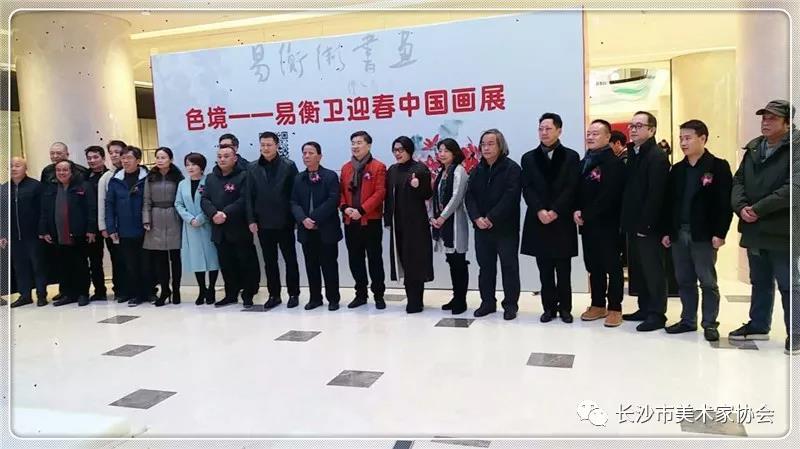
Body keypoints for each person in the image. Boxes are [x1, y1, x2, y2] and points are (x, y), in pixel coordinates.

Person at [729, 100, 798, 355]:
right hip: (754, 228)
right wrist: (741, 208)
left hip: (783, 229)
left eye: (772, 118)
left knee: (789, 284)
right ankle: (758, 324)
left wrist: (757, 209)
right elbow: (738, 181)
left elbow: (794, 188)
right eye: (764, 117)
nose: (765, 122)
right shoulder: (754, 147)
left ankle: (797, 332)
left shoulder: (796, 147)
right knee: (759, 280)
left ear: (787, 123)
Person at [660, 120, 733, 342]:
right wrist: (667, 231)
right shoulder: (677, 169)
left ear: (703, 138)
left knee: (707, 281)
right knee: (684, 280)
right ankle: (688, 320)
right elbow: (668, 203)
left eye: (688, 138)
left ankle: (710, 323)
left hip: (703, 234)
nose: (683, 143)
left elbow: (724, 204)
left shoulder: (718, 167)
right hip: (679, 233)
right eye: (681, 138)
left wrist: (720, 233)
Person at [520, 113, 580, 323]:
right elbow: (527, 188)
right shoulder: (528, 158)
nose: (544, 133)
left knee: (564, 270)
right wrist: (539, 210)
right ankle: (548, 308)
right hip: (538, 219)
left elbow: (572, 187)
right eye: (541, 129)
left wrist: (555, 210)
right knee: (544, 270)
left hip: (561, 219)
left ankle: (565, 309)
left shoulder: (571, 156)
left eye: (548, 129)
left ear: (559, 131)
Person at [620, 111, 670, 331]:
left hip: (649, 226)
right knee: (639, 269)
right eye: (632, 125)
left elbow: (656, 195)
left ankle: (657, 314)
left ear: (652, 130)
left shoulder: (657, 156)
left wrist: (647, 225)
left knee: (653, 270)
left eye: (639, 126)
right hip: (633, 223)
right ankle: (644, 307)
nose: (633, 129)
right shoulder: (634, 153)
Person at [465, 129, 522, 320]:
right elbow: (469, 197)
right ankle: (487, 302)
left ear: (500, 146)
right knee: (485, 268)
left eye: (491, 144)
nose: (486, 148)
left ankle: (510, 305)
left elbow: (511, 197)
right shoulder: (477, 169)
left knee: (509, 267)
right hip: (481, 228)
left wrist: (491, 218)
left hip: (505, 229)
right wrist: (477, 218)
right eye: (483, 144)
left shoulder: (512, 168)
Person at [575, 120, 627, 327]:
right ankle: (597, 304)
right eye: (589, 133)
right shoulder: (585, 161)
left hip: (608, 224)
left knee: (612, 267)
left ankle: (615, 307)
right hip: (587, 225)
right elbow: (577, 190)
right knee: (593, 265)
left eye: (596, 133)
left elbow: (609, 196)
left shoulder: (613, 163)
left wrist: (586, 213)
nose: (590, 137)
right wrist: (576, 210)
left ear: (608, 137)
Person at [246, 131, 300, 310]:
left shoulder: (289, 165)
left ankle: (294, 294)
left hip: (285, 221)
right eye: (262, 145)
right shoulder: (252, 167)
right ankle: (274, 295)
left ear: (277, 145)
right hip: (263, 222)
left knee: (290, 259)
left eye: (269, 145)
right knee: (270, 261)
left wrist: (296, 218)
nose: (265, 148)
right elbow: (249, 196)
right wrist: (251, 219)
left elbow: (295, 194)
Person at [201, 145, 260, 308]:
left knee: (245, 263)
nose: (222, 159)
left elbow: (244, 199)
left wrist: (225, 213)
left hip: (239, 228)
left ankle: (248, 294)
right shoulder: (211, 178)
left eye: (226, 156)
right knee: (226, 264)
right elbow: (204, 199)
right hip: (219, 228)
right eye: (219, 156)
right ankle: (230, 294)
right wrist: (213, 214)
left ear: (235, 158)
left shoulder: (244, 175)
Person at [290, 141, 342, 311]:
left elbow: (333, 200)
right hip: (306, 230)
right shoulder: (298, 178)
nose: (307, 156)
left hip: (326, 229)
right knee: (311, 266)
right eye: (304, 153)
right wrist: (303, 219)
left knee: (329, 265)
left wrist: (313, 218)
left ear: (319, 156)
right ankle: (315, 298)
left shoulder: (330, 176)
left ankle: (333, 298)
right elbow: (293, 202)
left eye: (311, 153)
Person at [385, 136, 434, 314]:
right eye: (395, 150)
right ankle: (411, 298)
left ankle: (416, 301)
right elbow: (388, 197)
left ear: (409, 150)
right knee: (404, 261)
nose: (398, 153)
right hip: (398, 224)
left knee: (416, 261)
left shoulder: (420, 169)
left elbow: (427, 194)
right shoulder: (392, 170)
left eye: (401, 150)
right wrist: (387, 219)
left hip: (416, 225)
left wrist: (417, 186)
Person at [339, 130, 387, 309]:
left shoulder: (378, 166)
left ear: (369, 145)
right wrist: (345, 208)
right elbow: (340, 192)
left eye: (359, 142)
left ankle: (379, 295)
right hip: (350, 221)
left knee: (375, 259)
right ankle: (360, 294)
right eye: (353, 143)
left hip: (371, 221)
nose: (355, 146)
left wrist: (362, 210)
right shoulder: (346, 168)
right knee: (355, 259)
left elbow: (380, 192)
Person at [39, 160, 97, 306]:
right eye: (58, 170)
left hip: (79, 233)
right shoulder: (50, 188)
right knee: (63, 265)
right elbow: (44, 211)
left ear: (72, 171)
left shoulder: (83, 186)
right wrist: (44, 230)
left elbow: (92, 209)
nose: (61, 173)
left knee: (80, 265)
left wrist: (91, 229)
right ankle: (68, 294)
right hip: (57, 233)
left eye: (65, 170)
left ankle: (83, 293)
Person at [105, 146, 150, 307]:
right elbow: (109, 205)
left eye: (129, 158)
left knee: (147, 263)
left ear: (138, 160)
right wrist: (111, 227)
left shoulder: (147, 178)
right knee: (130, 264)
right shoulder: (115, 180)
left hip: (145, 228)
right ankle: (136, 294)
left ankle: (149, 292)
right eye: (123, 158)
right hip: (124, 229)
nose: (125, 161)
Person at [431, 138, 470, 315]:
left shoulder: (459, 170)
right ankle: (456, 297)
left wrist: (442, 217)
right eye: (440, 150)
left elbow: (457, 197)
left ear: (454, 153)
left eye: (446, 150)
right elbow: (436, 197)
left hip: (455, 222)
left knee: (459, 262)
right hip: (444, 223)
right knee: (452, 262)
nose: (442, 154)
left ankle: (461, 301)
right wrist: (434, 217)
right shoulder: (442, 172)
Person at [175, 153, 220, 306]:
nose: (190, 167)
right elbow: (178, 204)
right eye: (187, 164)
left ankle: (212, 288)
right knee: (196, 259)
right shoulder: (182, 184)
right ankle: (202, 289)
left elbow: (212, 202)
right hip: (191, 227)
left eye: (194, 164)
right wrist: (189, 218)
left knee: (212, 258)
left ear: (201, 166)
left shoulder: (209, 181)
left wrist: (201, 218)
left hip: (207, 224)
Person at [143, 147, 185, 306]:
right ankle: (165, 290)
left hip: (174, 216)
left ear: (170, 159)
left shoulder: (178, 176)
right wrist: (146, 219)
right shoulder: (150, 177)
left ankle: (177, 290)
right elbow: (146, 200)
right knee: (160, 259)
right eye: (158, 157)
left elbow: (182, 198)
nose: (160, 160)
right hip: (156, 217)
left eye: (163, 157)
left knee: (175, 257)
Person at [3, 158, 48, 307]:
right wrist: (3, 233)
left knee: (38, 265)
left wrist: (43, 230)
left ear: (25, 168)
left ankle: (41, 294)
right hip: (14, 236)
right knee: (20, 266)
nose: (14, 169)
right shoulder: (4, 189)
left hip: (33, 234)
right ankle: (25, 295)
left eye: (17, 166)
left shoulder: (35, 186)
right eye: (11, 166)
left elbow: (43, 210)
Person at [98, 140, 128, 302]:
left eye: (118, 152)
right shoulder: (106, 177)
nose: (115, 155)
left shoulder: (137, 173)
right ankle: (121, 290)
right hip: (113, 227)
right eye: (111, 152)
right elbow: (102, 203)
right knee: (117, 260)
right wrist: (104, 227)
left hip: (132, 226)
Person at [84, 146, 109, 302]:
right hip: (91, 226)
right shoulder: (84, 177)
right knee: (94, 260)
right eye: (89, 158)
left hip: (109, 223)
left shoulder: (110, 175)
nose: (92, 160)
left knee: (118, 258)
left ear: (103, 158)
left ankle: (121, 289)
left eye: (95, 157)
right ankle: (99, 290)